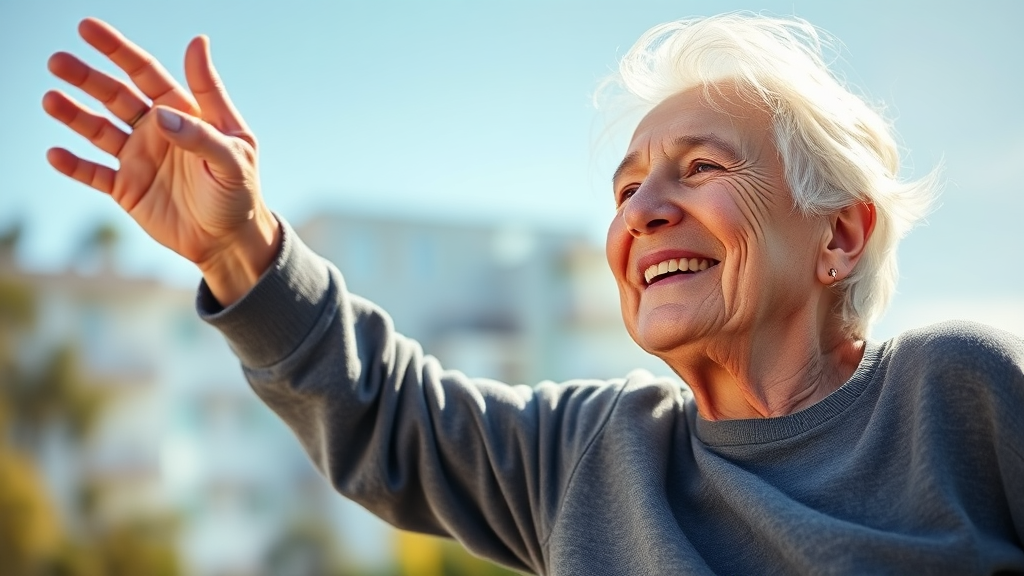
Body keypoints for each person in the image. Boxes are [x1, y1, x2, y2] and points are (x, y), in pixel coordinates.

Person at [44, 13, 1023, 575]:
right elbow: (386, 412)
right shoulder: (592, 456)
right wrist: (239, 245)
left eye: (698, 167)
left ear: (837, 236)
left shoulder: (961, 399)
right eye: (627, 187)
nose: (644, 212)